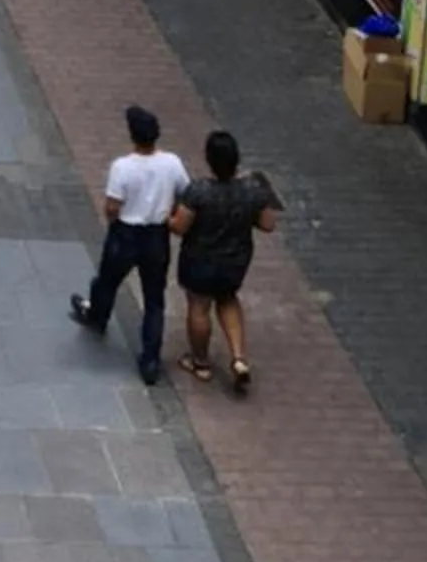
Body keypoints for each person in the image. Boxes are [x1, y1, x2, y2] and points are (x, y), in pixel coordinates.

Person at [69, 105, 188, 386]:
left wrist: (114, 218)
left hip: (126, 233)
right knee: (154, 299)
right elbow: (185, 192)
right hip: (157, 235)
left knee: (107, 280)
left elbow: (112, 206)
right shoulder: (172, 163)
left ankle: (97, 315)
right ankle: (150, 359)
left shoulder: (122, 167)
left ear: (132, 136)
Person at [170, 129, 281, 391]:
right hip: (235, 261)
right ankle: (239, 358)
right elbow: (268, 224)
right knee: (228, 300)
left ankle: (200, 362)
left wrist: (166, 215)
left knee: (199, 306)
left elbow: (179, 227)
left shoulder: (198, 191)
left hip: (199, 261)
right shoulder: (253, 189)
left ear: (209, 159)